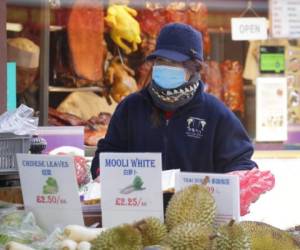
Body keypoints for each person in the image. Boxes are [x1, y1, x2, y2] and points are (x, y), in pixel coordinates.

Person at [91, 22, 257, 180]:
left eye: (176, 63)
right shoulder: (131, 107)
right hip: (139, 206)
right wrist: (102, 172)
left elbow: (240, 161)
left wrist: (240, 178)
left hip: (195, 208)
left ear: (194, 68)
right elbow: (107, 154)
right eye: (161, 61)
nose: (166, 67)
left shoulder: (215, 113)